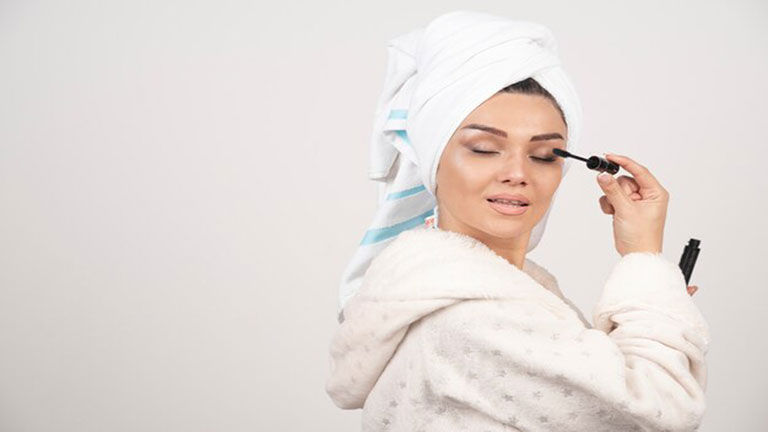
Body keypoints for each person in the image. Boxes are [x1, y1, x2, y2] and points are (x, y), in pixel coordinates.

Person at [325, 11, 709, 432]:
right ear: (433, 161)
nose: (517, 173)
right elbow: (661, 410)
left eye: (544, 155)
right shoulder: (473, 316)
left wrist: (652, 307)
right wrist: (645, 265)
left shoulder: (445, 285)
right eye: (484, 149)